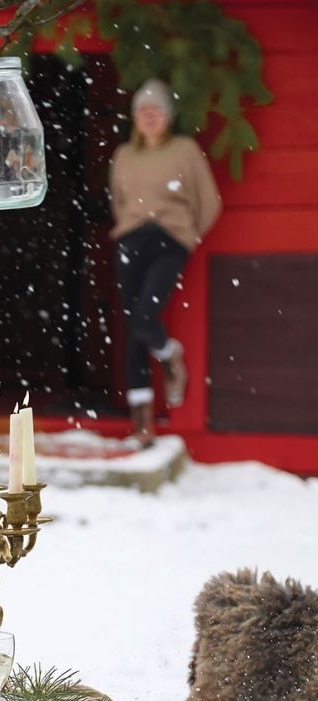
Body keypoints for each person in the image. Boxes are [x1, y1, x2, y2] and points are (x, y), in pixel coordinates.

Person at [109, 79, 222, 446]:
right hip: (130, 240)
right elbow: (119, 202)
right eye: (143, 111)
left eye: (156, 111)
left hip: (169, 241)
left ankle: (172, 356)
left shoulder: (185, 151)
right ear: (135, 118)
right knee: (133, 330)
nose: (149, 117)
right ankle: (142, 423)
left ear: (167, 117)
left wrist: (186, 237)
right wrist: (130, 229)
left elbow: (209, 202)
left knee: (145, 317)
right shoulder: (124, 155)